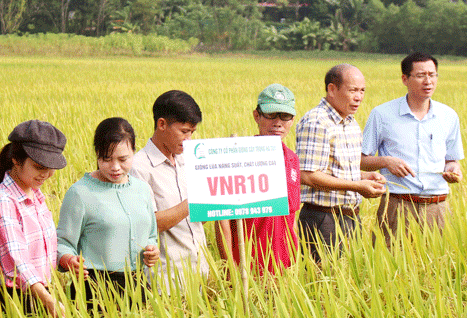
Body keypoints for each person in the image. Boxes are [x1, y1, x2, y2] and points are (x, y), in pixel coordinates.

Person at [361, 52, 464, 242]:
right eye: (420, 75)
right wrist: (385, 161)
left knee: (440, 266)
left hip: (438, 206)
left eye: (432, 75)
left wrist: (453, 170)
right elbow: (360, 161)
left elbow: (452, 160)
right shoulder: (382, 115)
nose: (428, 81)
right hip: (398, 206)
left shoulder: (448, 116)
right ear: (404, 79)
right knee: (391, 266)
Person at [57, 118, 159, 308]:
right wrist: (69, 259)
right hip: (94, 289)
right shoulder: (80, 193)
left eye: (123, 159)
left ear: (134, 153)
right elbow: (61, 243)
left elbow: (151, 235)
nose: (115, 167)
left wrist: (152, 250)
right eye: (106, 158)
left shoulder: (142, 190)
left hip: (137, 285)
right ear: (97, 154)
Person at [296, 64, 386, 262]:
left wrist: (365, 176)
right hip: (323, 219)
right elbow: (308, 175)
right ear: (332, 89)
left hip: (350, 218)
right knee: (321, 283)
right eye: (353, 90)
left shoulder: (351, 123)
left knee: (346, 282)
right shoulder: (317, 122)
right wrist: (356, 186)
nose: (359, 97)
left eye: (362, 90)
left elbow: (337, 169)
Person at [216, 84, 300, 274]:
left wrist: (296, 260)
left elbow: (292, 217)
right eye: (271, 115)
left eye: (285, 116)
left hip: (285, 268)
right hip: (248, 269)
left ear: (292, 120)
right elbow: (223, 221)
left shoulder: (292, 159)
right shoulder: (238, 156)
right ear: (256, 115)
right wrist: (231, 269)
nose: (278, 122)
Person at [130, 90, 209, 289]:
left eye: (192, 132)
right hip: (166, 281)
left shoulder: (189, 160)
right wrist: (193, 202)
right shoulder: (139, 168)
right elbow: (147, 224)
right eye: (184, 131)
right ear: (162, 124)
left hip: (200, 274)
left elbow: (198, 219)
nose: (189, 139)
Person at [0, 120, 67, 318]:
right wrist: (47, 299)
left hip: (40, 291)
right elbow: (17, 259)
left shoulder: (36, 195)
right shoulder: (4, 200)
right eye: (39, 167)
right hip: (17, 297)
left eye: (51, 167)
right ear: (16, 160)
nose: (46, 174)